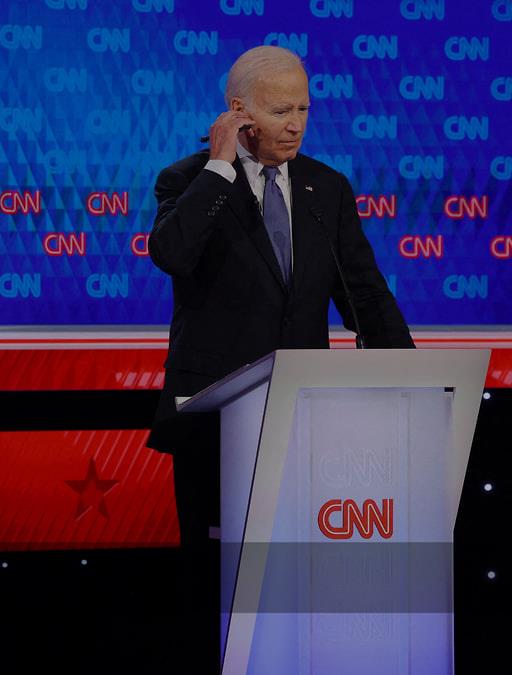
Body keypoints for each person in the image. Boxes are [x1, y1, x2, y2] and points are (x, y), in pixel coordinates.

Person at [145, 45, 414, 672]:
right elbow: (172, 254)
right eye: (279, 111)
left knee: (295, 579)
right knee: (214, 582)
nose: (295, 125)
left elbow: (364, 296)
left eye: (303, 110)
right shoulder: (188, 180)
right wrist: (220, 167)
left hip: (304, 420)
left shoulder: (326, 188)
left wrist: (409, 376)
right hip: (215, 422)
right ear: (238, 112)